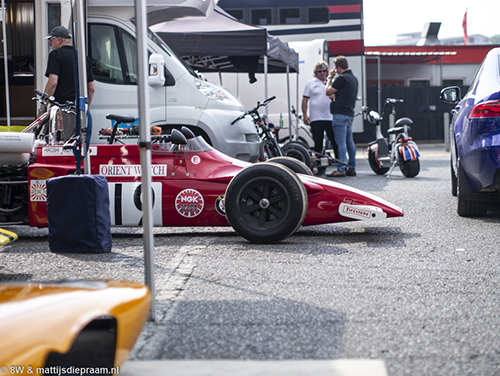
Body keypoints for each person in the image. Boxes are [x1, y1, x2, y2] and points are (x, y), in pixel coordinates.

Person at [41, 26, 95, 140]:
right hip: (77, 112)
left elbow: (52, 83)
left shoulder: (55, 55)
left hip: (60, 112)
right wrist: (83, 108)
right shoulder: (83, 58)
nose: (50, 44)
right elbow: (91, 89)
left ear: (59, 40)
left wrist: (43, 107)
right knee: (77, 146)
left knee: (57, 147)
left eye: (51, 40)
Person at [302, 61, 338, 175]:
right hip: (316, 118)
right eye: (319, 71)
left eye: (324, 71)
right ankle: (320, 167)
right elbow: (305, 100)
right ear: (316, 72)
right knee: (318, 143)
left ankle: (340, 166)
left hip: (330, 117)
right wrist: (305, 115)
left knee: (334, 141)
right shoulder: (310, 83)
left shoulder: (331, 82)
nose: (322, 73)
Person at [325, 55, 358, 177]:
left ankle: (341, 168)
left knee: (340, 142)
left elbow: (327, 91)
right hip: (349, 113)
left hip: (339, 114)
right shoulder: (353, 78)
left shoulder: (342, 78)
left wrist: (330, 77)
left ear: (338, 67)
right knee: (349, 141)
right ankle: (352, 167)